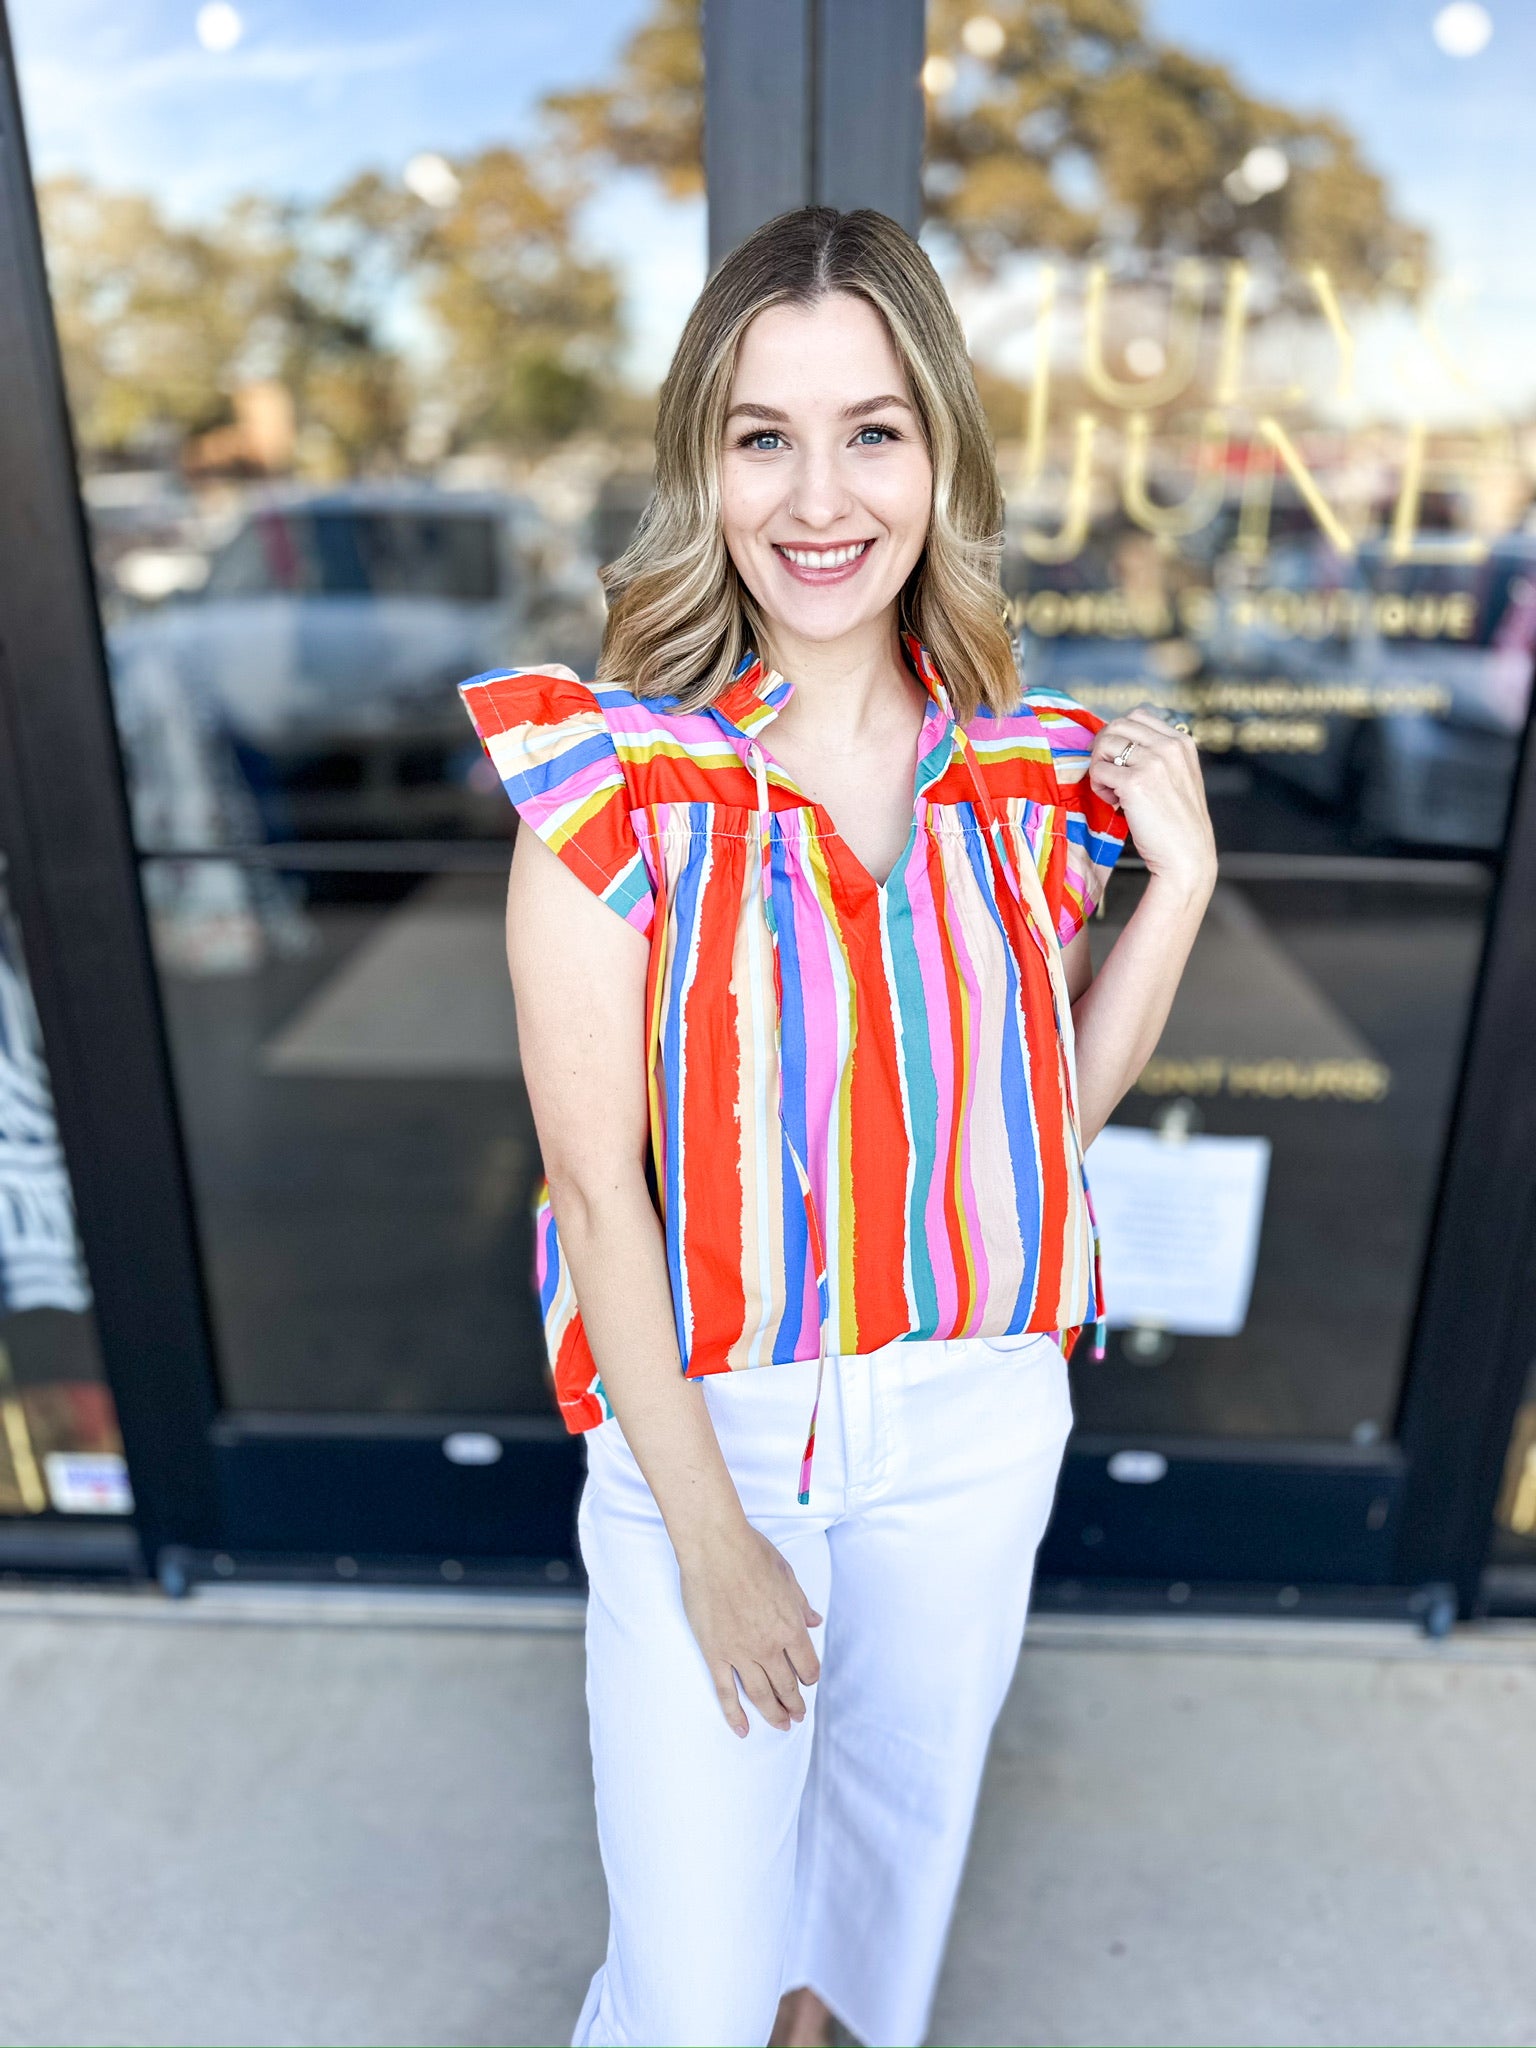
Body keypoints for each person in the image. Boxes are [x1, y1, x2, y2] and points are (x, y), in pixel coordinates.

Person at [459, 206, 1215, 2048]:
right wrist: (712, 1536)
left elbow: (1031, 1133)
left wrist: (1173, 891)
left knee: (874, 1910)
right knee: (697, 1984)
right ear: (704, 466)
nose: (821, 495)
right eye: (762, 435)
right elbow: (597, 1194)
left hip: (974, 1418)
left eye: (872, 428)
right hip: (709, 1433)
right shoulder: (619, 789)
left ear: (940, 450)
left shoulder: (1027, 780)